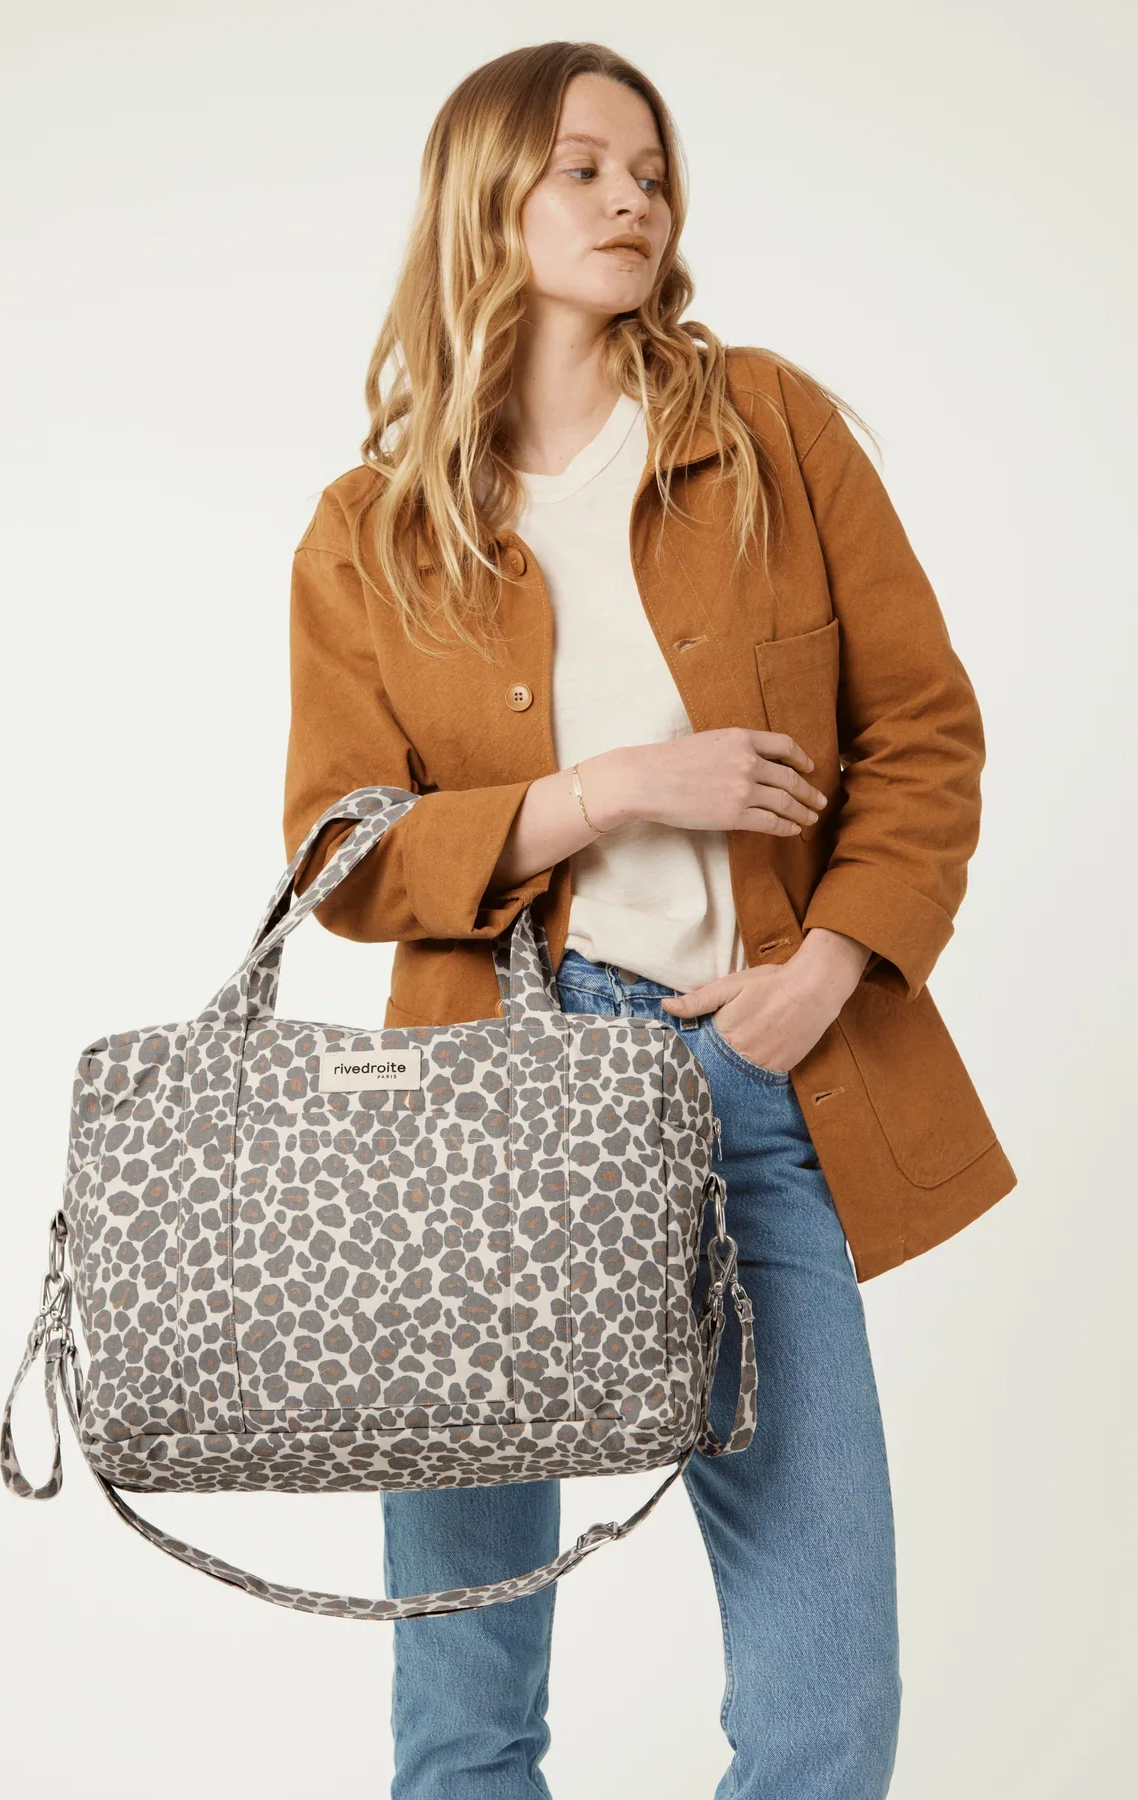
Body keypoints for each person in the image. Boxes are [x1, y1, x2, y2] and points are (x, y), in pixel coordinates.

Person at [282, 39, 1016, 1800]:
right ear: (486, 204)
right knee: (465, 1706)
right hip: (481, 1120)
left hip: (754, 1083)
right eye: (584, 169)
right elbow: (337, 858)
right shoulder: (371, 531)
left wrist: (826, 969)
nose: (633, 201)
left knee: (826, 1701)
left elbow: (925, 736)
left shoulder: (768, 427)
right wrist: (604, 791)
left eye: (652, 173)